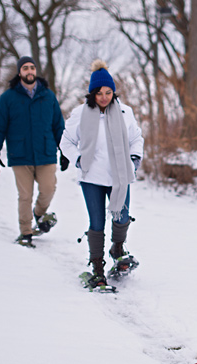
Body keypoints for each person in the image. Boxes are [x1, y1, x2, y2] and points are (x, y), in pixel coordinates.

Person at [60, 60, 144, 288]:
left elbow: (136, 138)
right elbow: (66, 141)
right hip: (91, 178)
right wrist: (77, 158)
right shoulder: (80, 114)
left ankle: (118, 248)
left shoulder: (126, 113)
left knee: (122, 218)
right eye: (100, 93)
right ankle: (97, 267)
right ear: (92, 93)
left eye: (109, 92)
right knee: (96, 223)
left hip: (119, 177)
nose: (105, 97)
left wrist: (135, 158)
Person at [0, 56, 67, 247]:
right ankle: (26, 232)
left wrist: (64, 150)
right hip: (20, 154)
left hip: (46, 152)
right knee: (25, 196)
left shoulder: (48, 96)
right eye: (25, 68)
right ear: (19, 72)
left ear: (36, 71)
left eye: (32, 67)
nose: (29, 71)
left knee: (49, 189)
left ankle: (39, 214)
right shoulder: (8, 98)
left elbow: (58, 125)